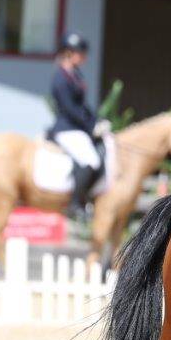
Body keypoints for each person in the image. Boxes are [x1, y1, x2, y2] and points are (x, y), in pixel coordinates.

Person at [46, 32, 106, 221]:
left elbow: (82, 105)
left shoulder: (75, 75)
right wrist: (90, 126)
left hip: (77, 127)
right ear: (69, 53)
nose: (84, 57)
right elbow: (70, 109)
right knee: (91, 161)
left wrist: (97, 121)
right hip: (67, 128)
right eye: (81, 53)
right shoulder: (60, 78)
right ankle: (74, 204)